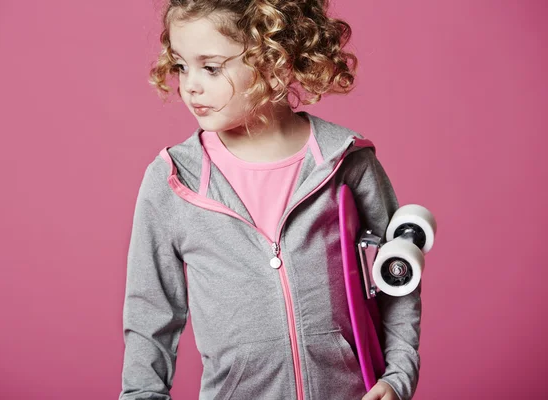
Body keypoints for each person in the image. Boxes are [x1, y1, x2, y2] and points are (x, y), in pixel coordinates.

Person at [119, 1, 422, 399]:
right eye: (181, 65)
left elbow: (398, 275)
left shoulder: (345, 159)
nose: (190, 84)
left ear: (274, 62)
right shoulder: (174, 178)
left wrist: (397, 377)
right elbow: (150, 313)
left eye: (210, 67)